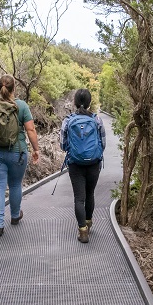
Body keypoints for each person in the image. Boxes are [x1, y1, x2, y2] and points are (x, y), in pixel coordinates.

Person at [0, 75, 40, 236]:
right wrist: (36, 149)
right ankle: (14, 215)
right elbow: (31, 130)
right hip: (17, 153)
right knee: (15, 185)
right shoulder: (21, 106)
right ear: (14, 88)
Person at [60, 89, 106, 243]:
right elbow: (103, 143)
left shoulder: (68, 120)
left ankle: (82, 231)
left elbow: (63, 145)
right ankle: (88, 222)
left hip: (75, 164)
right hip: (94, 163)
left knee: (79, 198)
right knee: (90, 193)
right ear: (89, 102)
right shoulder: (97, 120)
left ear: (74, 102)